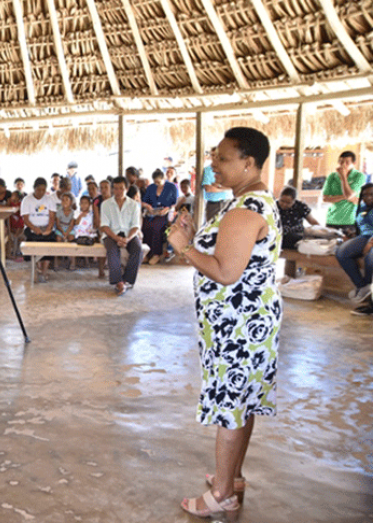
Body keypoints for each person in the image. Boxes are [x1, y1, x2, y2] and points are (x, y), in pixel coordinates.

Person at [166, 127, 281, 520]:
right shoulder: (252, 202)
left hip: (238, 328)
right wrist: (196, 239)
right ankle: (232, 476)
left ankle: (221, 495)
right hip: (248, 323)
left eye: (223, 157)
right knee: (242, 400)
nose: (213, 163)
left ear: (248, 162)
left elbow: (226, 271)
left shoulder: (246, 208)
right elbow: (231, 254)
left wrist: (184, 250)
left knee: (231, 404)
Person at [99, 176, 142, 295]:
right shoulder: (106, 204)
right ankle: (118, 282)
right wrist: (116, 238)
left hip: (129, 234)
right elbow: (105, 226)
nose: (118, 192)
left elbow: (135, 225)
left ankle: (127, 280)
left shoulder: (134, 205)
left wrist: (127, 239)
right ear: (112, 189)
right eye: (116, 188)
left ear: (127, 189)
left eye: (121, 188)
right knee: (112, 250)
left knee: (138, 249)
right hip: (111, 234)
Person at [336, 183, 373, 310]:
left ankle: (369, 298)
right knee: (341, 251)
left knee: (370, 258)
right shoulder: (363, 208)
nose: (367, 197)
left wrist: (370, 244)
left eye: (371, 194)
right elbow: (361, 226)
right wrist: (352, 234)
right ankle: (362, 287)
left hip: (371, 239)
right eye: (365, 195)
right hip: (365, 237)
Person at [21, 177, 56, 283]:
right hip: (32, 228)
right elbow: (25, 219)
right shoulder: (27, 199)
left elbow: (52, 217)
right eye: (39, 190)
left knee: (49, 243)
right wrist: (35, 228)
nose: (41, 192)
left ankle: (44, 271)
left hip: (45, 227)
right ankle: (37, 268)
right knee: (34, 243)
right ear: (34, 188)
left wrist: (49, 229)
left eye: (43, 190)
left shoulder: (49, 199)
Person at [142, 169, 178, 265]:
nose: (157, 184)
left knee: (156, 227)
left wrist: (167, 208)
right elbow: (144, 201)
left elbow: (175, 203)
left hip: (165, 214)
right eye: (155, 182)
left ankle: (156, 254)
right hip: (152, 213)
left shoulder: (171, 187)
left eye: (159, 182)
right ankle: (146, 253)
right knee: (145, 226)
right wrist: (148, 206)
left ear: (164, 179)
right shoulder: (151, 187)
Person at [322, 151, 366, 231]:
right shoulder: (332, 176)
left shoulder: (359, 176)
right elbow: (325, 198)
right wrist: (350, 198)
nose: (343, 165)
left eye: (347, 162)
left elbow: (349, 195)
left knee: (349, 243)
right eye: (341, 162)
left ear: (354, 163)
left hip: (351, 220)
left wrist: (343, 177)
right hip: (332, 219)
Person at [202, 146, 234, 223]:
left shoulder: (228, 168)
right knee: (212, 228)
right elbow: (209, 189)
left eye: (217, 155)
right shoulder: (207, 170)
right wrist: (224, 187)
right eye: (212, 155)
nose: (215, 157)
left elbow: (233, 186)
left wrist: (218, 187)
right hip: (214, 204)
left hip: (228, 202)